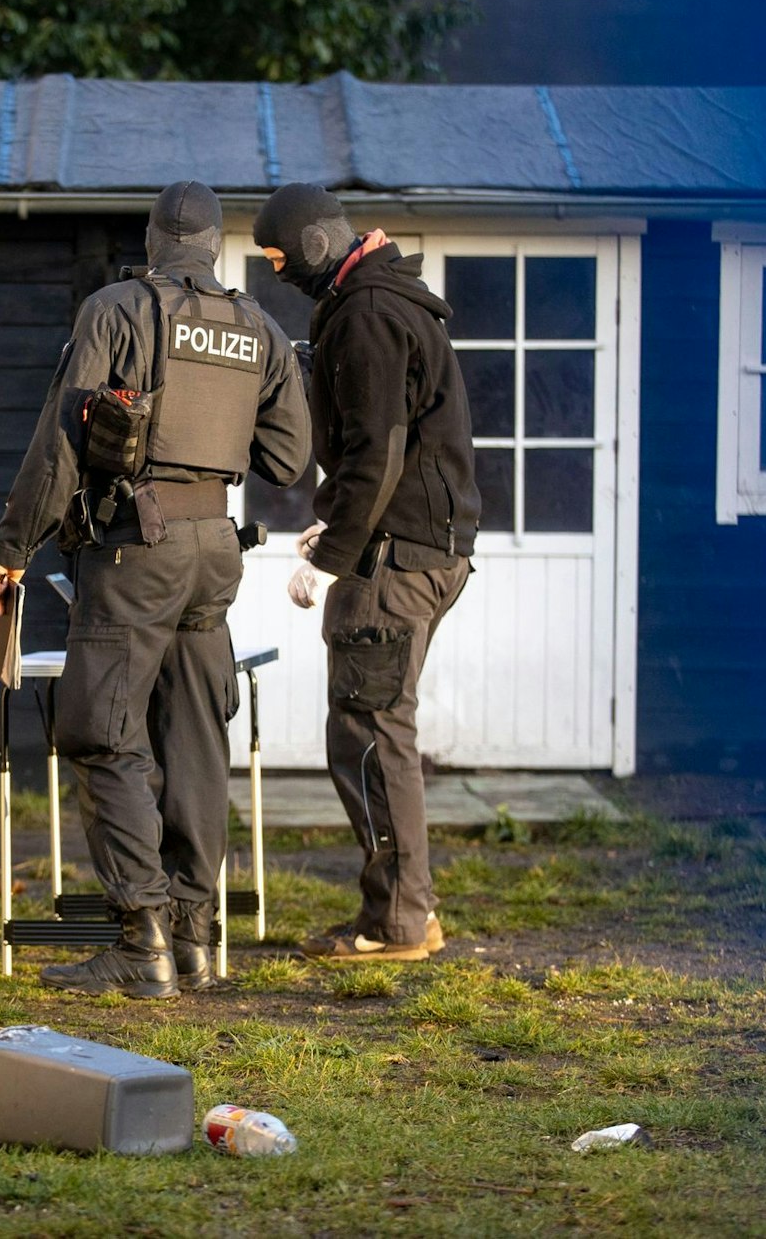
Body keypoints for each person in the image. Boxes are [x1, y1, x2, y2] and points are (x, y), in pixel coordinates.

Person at [0, 180, 311, 999]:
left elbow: (60, 443)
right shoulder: (257, 326)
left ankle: (142, 936)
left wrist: (14, 548)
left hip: (136, 548)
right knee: (196, 734)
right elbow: (288, 458)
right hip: (216, 551)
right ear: (215, 243)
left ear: (155, 237)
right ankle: (196, 938)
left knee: (100, 730)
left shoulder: (118, 309)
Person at [253, 181, 480, 963]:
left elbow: (378, 450)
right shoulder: (392, 299)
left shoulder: (370, 313)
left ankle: (397, 925)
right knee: (379, 731)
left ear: (316, 246)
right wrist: (340, 519)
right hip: (422, 545)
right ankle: (405, 910)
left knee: (369, 736)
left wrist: (333, 553)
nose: (279, 272)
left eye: (281, 259)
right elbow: (390, 450)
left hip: (396, 561)